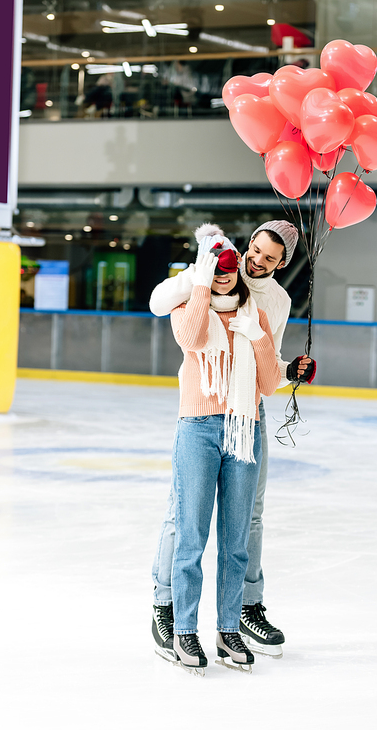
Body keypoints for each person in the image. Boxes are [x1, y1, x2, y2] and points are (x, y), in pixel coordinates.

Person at [150, 221, 316, 661]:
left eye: (268, 257)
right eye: (254, 249)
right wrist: (200, 275)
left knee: (247, 520)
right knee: (184, 516)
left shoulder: (274, 302)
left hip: (246, 415)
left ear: (282, 264)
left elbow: (268, 370)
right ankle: (167, 606)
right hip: (202, 414)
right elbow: (183, 324)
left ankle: (242, 610)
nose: (255, 260)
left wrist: (290, 370)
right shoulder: (220, 268)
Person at [162, 226, 281, 675]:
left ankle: (229, 628)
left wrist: (257, 336)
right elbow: (192, 339)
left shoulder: (256, 317)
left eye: (232, 264)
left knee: (235, 542)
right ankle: (185, 628)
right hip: (197, 428)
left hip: (243, 428)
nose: (227, 273)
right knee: (191, 535)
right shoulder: (187, 306)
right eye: (219, 265)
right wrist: (199, 284)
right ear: (208, 268)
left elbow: (268, 383)